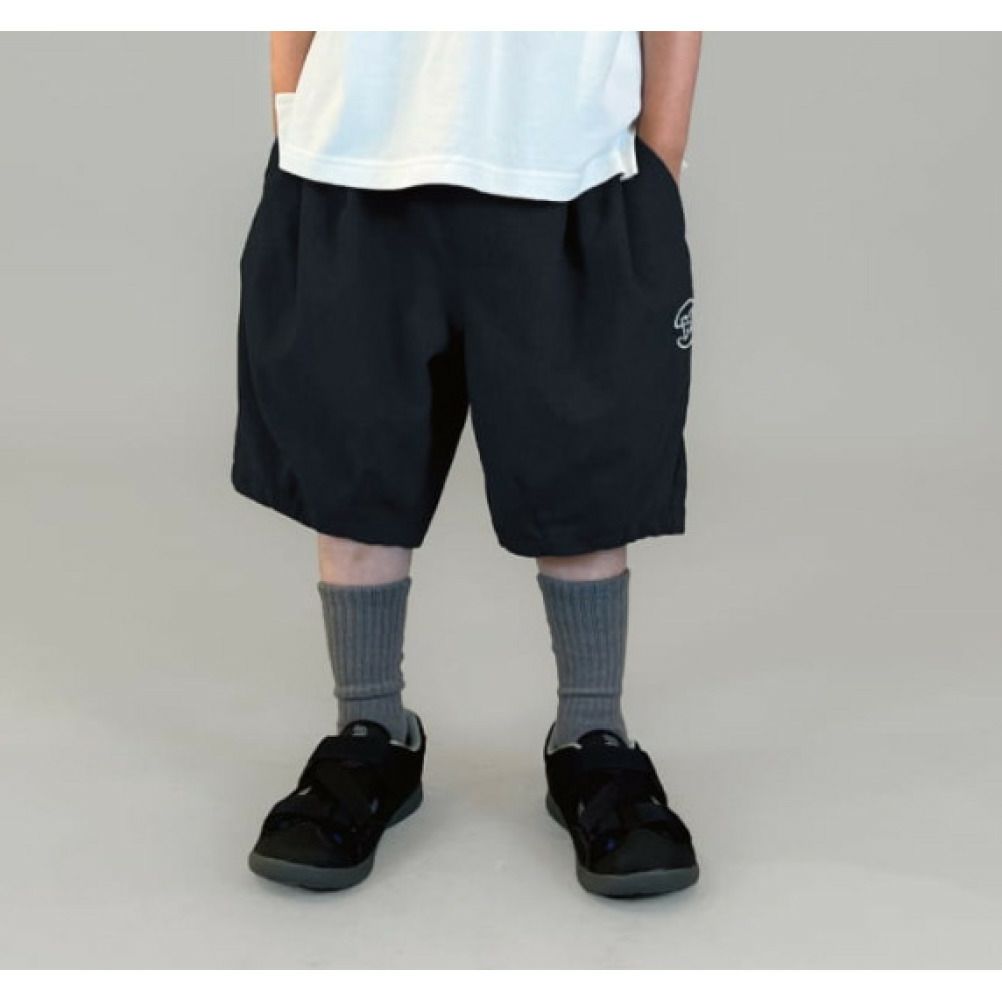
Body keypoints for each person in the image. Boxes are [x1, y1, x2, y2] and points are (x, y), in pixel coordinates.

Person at [232, 30, 702, 898]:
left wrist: (660, 158)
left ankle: (593, 736)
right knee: (355, 457)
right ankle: (370, 730)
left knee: (582, 465)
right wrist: (297, 116)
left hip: (571, 155)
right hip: (356, 147)